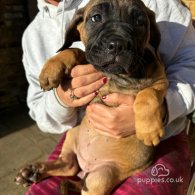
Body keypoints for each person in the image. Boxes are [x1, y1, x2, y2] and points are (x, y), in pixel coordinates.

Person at [22, 0, 195, 194]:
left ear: (152, 35)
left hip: (153, 144)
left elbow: (189, 65)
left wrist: (164, 108)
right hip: (81, 138)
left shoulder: (159, 5)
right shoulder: (32, 36)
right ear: (76, 28)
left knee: (99, 183)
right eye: (96, 18)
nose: (116, 43)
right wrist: (61, 98)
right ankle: (66, 165)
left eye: (138, 22)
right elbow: (39, 109)